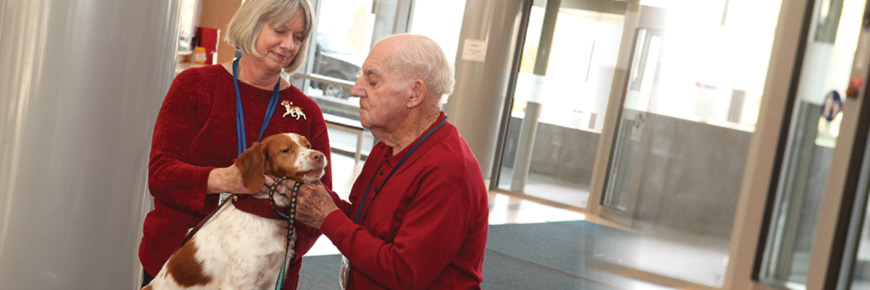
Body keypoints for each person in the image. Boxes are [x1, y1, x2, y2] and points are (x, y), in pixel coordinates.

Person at [138, 0, 338, 288]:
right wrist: (224, 179)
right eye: (280, 31)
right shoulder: (194, 86)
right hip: (182, 268)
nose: (289, 45)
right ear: (252, 25)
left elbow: (323, 200)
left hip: (260, 276)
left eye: (298, 37)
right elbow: (161, 174)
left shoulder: (307, 112)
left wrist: (278, 250)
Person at [295, 34, 490, 289]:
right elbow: (363, 223)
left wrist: (327, 217)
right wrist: (315, 198)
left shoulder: (449, 169)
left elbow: (404, 274)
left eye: (372, 81)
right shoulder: (388, 145)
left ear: (414, 94)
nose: (356, 90)